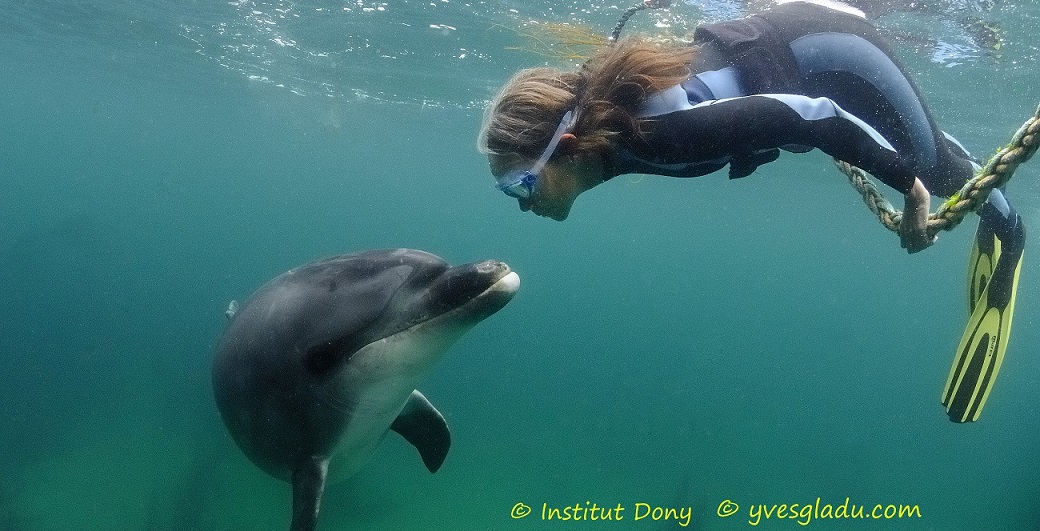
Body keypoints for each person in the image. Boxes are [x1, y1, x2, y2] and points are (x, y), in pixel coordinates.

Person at [476, 0, 1024, 422]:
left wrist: (909, 188)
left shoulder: (660, 136)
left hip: (829, 47)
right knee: (911, 146)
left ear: (567, 146)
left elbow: (812, 116)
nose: (525, 205)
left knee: (931, 166)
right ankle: (936, 157)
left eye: (519, 184)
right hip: (804, 61)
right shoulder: (616, 139)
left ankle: (1008, 232)